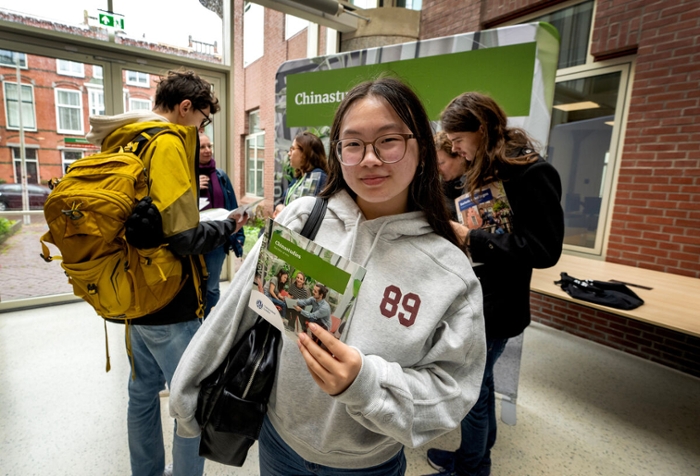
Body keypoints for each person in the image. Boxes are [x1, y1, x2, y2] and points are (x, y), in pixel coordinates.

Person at [170, 76, 487, 476]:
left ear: (421, 148)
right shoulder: (305, 220)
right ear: (338, 153)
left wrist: (366, 382)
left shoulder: (449, 272)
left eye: (388, 140)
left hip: (367, 463)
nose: (369, 159)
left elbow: (452, 391)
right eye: (353, 144)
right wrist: (186, 394)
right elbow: (236, 314)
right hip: (278, 440)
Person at [86, 69, 247, 476]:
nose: (200, 128)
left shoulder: (125, 136)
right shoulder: (168, 142)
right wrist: (228, 224)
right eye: (202, 119)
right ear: (186, 107)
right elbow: (183, 236)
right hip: (167, 295)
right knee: (188, 399)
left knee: (141, 393)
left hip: (128, 289)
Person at [425, 92, 565, 476]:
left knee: (473, 392)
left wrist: (472, 238)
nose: (456, 150)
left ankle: (473, 468)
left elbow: (545, 249)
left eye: (458, 142)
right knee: (480, 388)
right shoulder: (484, 170)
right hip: (476, 301)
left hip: (500, 307)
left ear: (481, 129)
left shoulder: (533, 173)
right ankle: (474, 456)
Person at [198, 132, 245, 317]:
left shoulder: (221, 176)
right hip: (194, 241)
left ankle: (210, 324)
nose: (208, 150)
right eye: (202, 147)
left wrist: (238, 236)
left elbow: (232, 207)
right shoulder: (186, 175)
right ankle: (196, 325)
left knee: (211, 287)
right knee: (193, 288)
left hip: (217, 241)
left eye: (209, 146)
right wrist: (193, 187)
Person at [283, 131, 329, 206]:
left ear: (305, 153)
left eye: (293, 149)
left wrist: (283, 210)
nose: (289, 153)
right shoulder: (299, 177)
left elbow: (302, 210)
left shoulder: (317, 176)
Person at [435, 131, 468, 219]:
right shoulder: (442, 192)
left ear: (460, 156)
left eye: (441, 163)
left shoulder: (483, 177)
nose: (438, 170)